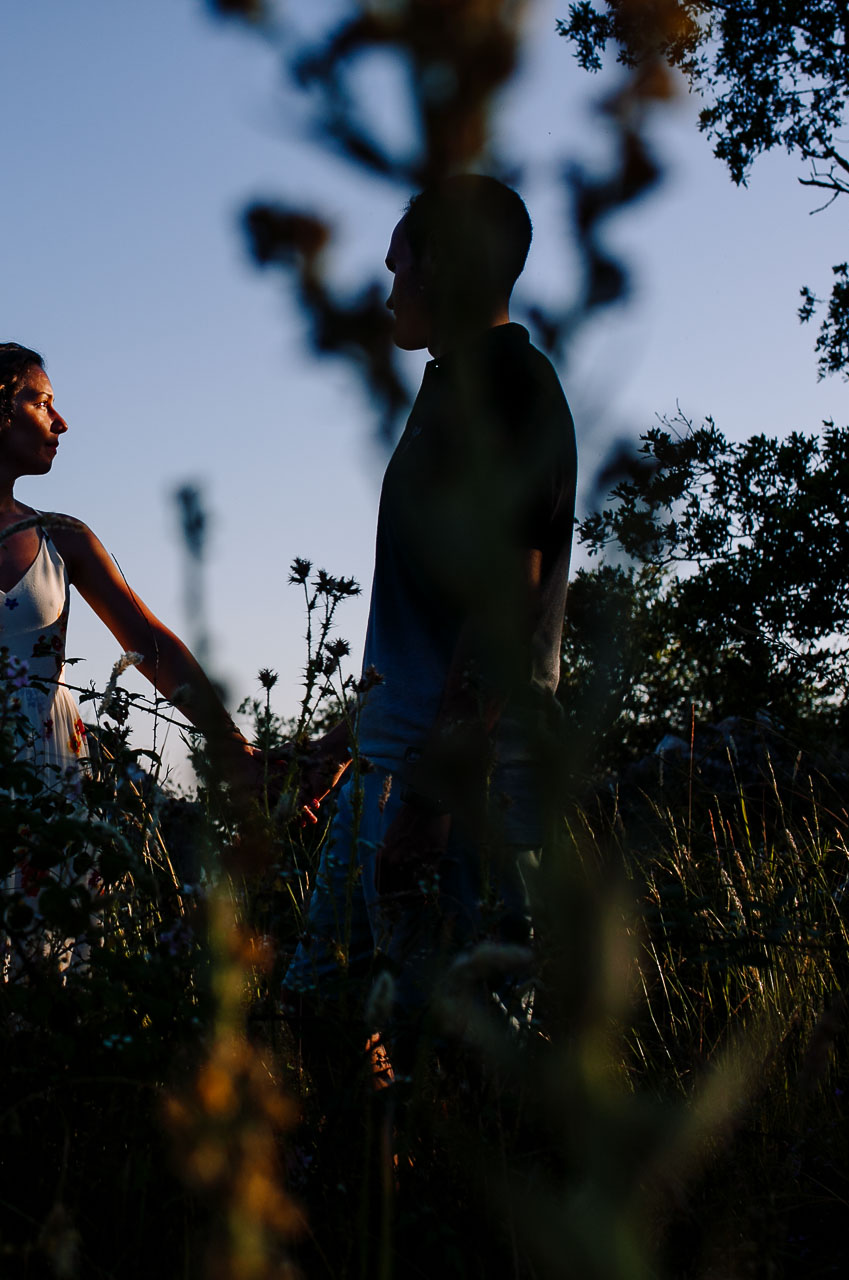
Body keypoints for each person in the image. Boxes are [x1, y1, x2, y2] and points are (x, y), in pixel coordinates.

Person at [283, 176, 578, 1044]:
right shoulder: (447, 386)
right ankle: (365, 1176)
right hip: (391, 765)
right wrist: (348, 743)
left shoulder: (510, 389)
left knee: (464, 1040)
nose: (387, 290)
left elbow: (505, 606)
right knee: (318, 1008)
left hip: (464, 779)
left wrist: (435, 794)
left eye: (398, 266)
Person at [0, 342, 258, 932]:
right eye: (43, 402)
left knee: (46, 964)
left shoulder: (63, 538)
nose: (62, 421)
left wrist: (228, 742)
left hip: (54, 772)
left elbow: (149, 643)